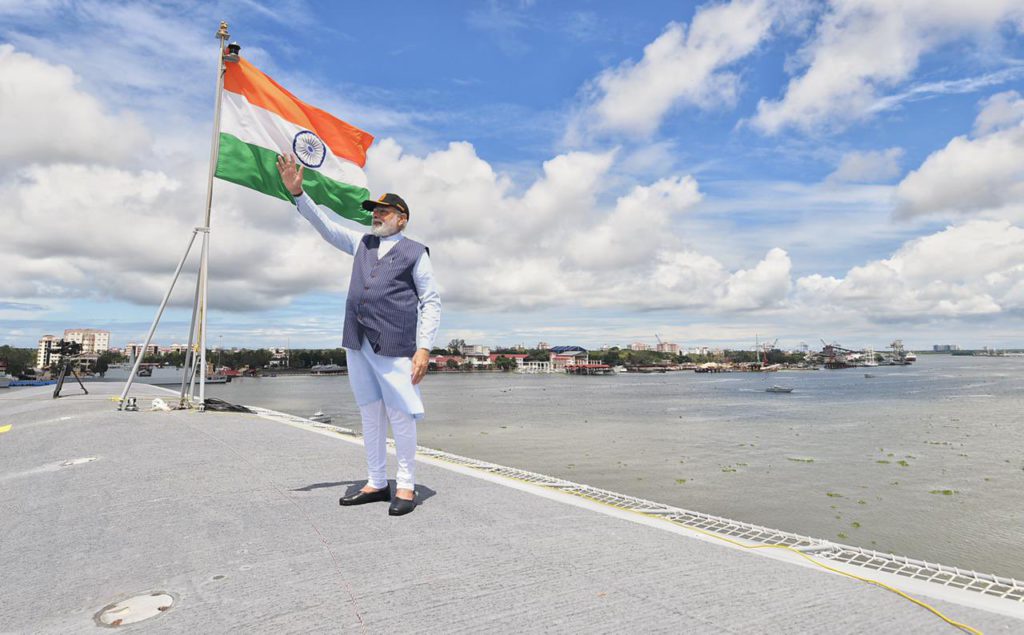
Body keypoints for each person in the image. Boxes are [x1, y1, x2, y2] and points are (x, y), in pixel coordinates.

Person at [276, 154, 441, 516]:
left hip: (396, 344)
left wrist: (424, 349)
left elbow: (431, 302)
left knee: (401, 414)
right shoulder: (361, 243)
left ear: (402, 218)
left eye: (384, 211)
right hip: (358, 341)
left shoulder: (416, 253)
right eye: (374, 211)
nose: (376, 215)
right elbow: (326, 227)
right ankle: (377, 481)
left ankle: (408, 486)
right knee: (370, 413)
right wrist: (298, 194)